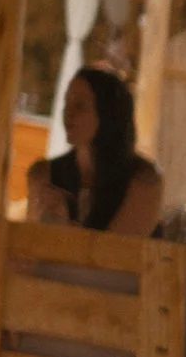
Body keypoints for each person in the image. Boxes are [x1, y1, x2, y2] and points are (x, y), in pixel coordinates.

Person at [27, 65, 163, 234]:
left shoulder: (144, 179)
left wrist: (63, 226)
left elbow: (121, 250)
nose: (68, 112)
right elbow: (30, 243)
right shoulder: (44, 174)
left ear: (107, 114)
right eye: (67, 102)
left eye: (80, 105)